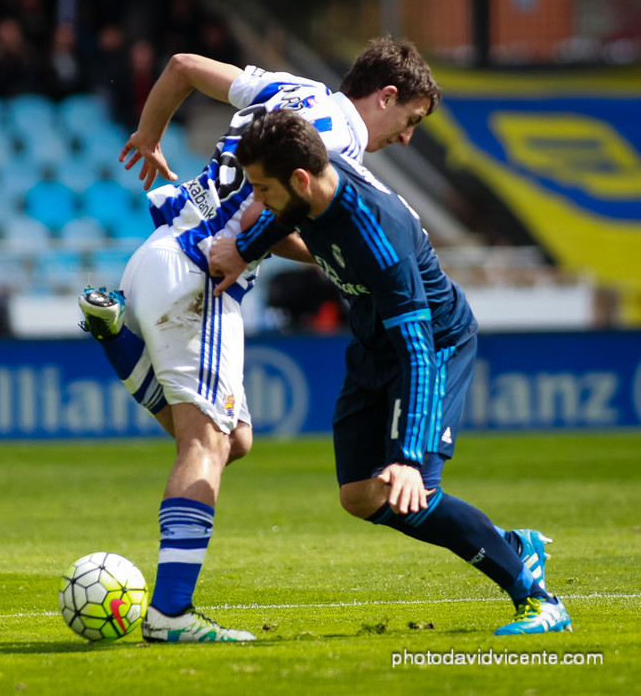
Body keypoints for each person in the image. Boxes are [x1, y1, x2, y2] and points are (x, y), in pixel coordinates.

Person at [76, 38, 439, 642]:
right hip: (203, 273)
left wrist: (149, 135)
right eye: (411, 121)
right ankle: (170, 615)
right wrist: (341, 259)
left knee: (233, 438)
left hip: (155, 256)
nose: (405, 137)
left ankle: (117, 336)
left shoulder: (288, 89)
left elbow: (182, 68)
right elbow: (258, 226)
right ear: (387, 95)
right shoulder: (335, 143)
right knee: (205, 442)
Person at [212, 108, 570, 635]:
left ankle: (538, 599)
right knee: (359, 495)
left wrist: (408, 458)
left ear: (300, 179)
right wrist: (244, 248)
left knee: (410, 489)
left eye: (262, 189)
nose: (256, 202)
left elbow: (418, 351)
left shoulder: (378, 236)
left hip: (433, 348)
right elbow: (283, 213)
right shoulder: (307, 182)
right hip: (375, 343)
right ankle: (512, 544)